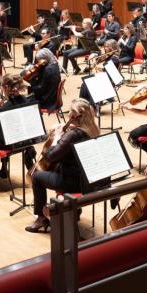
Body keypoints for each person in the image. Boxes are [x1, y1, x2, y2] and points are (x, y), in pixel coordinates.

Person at [25, 99, 101, 233]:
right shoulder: (93, 129)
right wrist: (65, 128)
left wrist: (57, 138)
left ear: (74, 116)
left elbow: (50, 156)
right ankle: (73, 210)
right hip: (88, 179)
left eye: (69, 111)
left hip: (73, 182)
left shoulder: (72, 135)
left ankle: (41, 219)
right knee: (57, 166)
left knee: (36, 177)